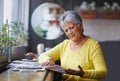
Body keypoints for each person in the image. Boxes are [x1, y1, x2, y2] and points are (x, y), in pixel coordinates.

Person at [29, 10, 108, 81]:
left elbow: (103, 72)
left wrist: (82, 73)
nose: (69, 32)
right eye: (66, 30)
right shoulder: (65, 44)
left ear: (80, 25)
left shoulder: (93, 45)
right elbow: (42, 56)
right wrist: (48, 60)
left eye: (71, 28)